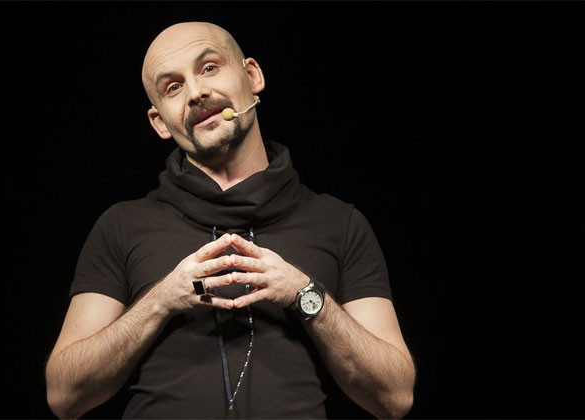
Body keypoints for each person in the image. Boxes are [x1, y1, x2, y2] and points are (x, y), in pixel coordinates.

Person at [45, 22, 415, 419]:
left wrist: (305, 294)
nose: (196, 93)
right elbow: (64, 396)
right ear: (159, 122)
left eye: (209, 67)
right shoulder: (122, 225)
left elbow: (395, 397)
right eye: (173, 87)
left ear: (252, 77)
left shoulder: (339, 222)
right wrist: (160, 300)